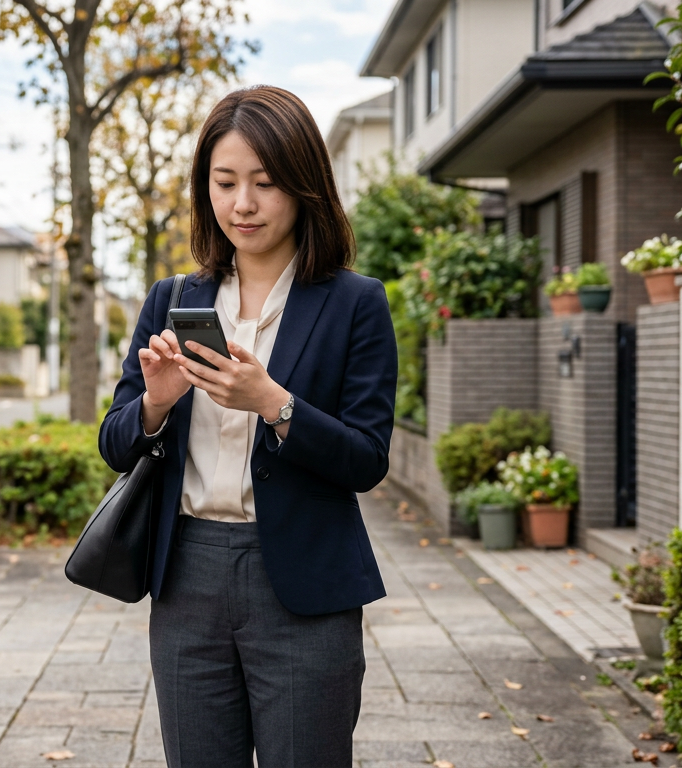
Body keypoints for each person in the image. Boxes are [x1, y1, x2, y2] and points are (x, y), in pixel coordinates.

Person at [98, 85, 397, 767]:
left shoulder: (356, 303)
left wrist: (274, 403)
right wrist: (156, 403)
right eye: (225, 182)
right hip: (187, 579)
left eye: (265, 183)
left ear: (304, 186)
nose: (243, 204)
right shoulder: (173, 299)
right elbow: (115, 443)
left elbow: (367, 459)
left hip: (303, 581)